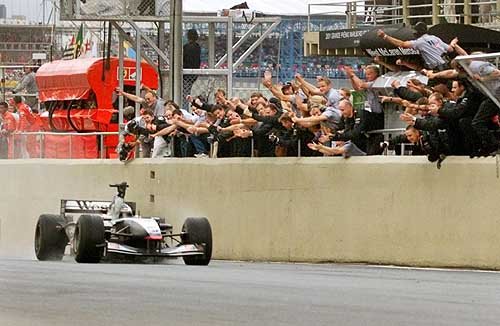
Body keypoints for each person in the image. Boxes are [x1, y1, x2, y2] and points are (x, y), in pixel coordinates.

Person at [377, 22, 455, 71]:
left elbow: (402, 44)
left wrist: (385, 36)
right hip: (447, 66)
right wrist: (452, 43)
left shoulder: (420, 42)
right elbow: (450, 49)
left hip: (438, 68)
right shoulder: (435, 38)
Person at [183, 29, 201, 105]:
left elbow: (184, 58)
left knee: (185, 93)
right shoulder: (197, 47)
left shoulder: (186, 47)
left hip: (186, 72)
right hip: (194, 72)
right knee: (188, 91)